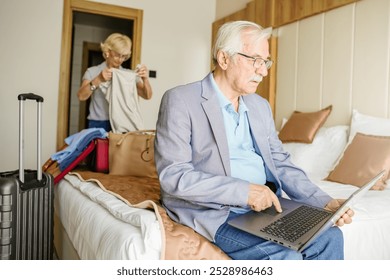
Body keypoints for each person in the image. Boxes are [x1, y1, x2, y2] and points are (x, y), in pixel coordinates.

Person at [154, 20, 354, 260]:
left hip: (266, 208)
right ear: (224, 59)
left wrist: (325, 202)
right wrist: (243, 192)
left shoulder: (259, 106)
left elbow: (280, 163)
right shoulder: (181, 100)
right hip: (216, 211)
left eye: (266, 61)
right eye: (255, 60)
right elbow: (173, 175)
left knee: (331, 237)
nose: (264, 71)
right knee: (284, 256)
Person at [77, 33, 153, 132]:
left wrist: (145, 79)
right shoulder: (92, 72)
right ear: (108, 51)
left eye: (124, 56)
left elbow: (147, 96)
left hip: (122, 122)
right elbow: (81, 96)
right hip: (99, 123)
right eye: (117, 55)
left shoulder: (128, 75)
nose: (121, 59)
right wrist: (99, 79)